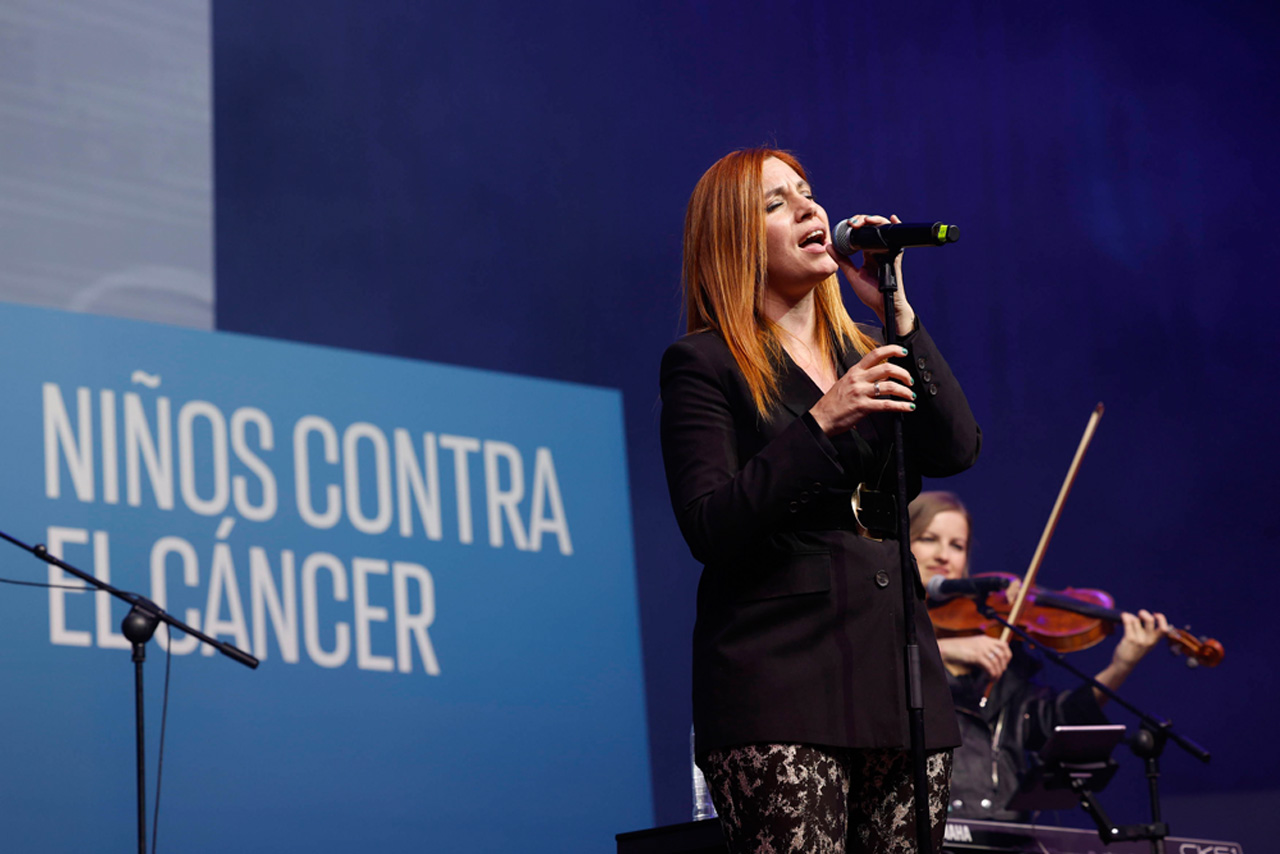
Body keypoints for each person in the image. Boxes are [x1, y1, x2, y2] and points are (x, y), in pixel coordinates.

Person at [660, 147, 981, 853]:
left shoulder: (866, 349)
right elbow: (710, 524)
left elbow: (957, 448)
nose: (809, 208)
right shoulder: (705, 364)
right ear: (735, 241)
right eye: (776, 203)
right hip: (781, 680)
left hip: (897, 678)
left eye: (807, 192)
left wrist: (899, 314)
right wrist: (821, 424)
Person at [907, 491, 1170, 821]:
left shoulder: (998, 639)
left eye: (957, 546)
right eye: (928, 539)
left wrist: (1121, 665)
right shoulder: (879, 629)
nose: (944, 556)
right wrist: (943, 650)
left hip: (1003, 824)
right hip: (921, 819)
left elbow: (1050, 723)